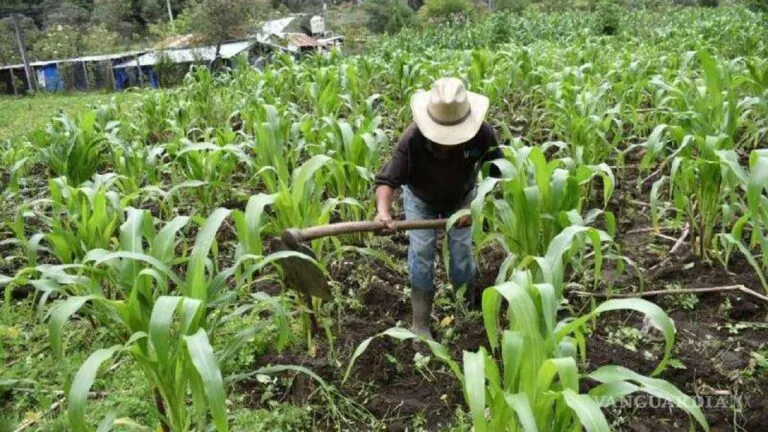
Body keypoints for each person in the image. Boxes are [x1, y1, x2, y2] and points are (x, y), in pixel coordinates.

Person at [373, 77, 503, 341]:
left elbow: (500, 175)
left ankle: (465, 312)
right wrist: (383, 212)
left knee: (461, 253)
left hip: (463, 199)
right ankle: (420, 323)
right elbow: (387, 181)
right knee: (421, 253)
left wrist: (478, 209)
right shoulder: (412, 139)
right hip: (421, 199)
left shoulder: (483, 133)